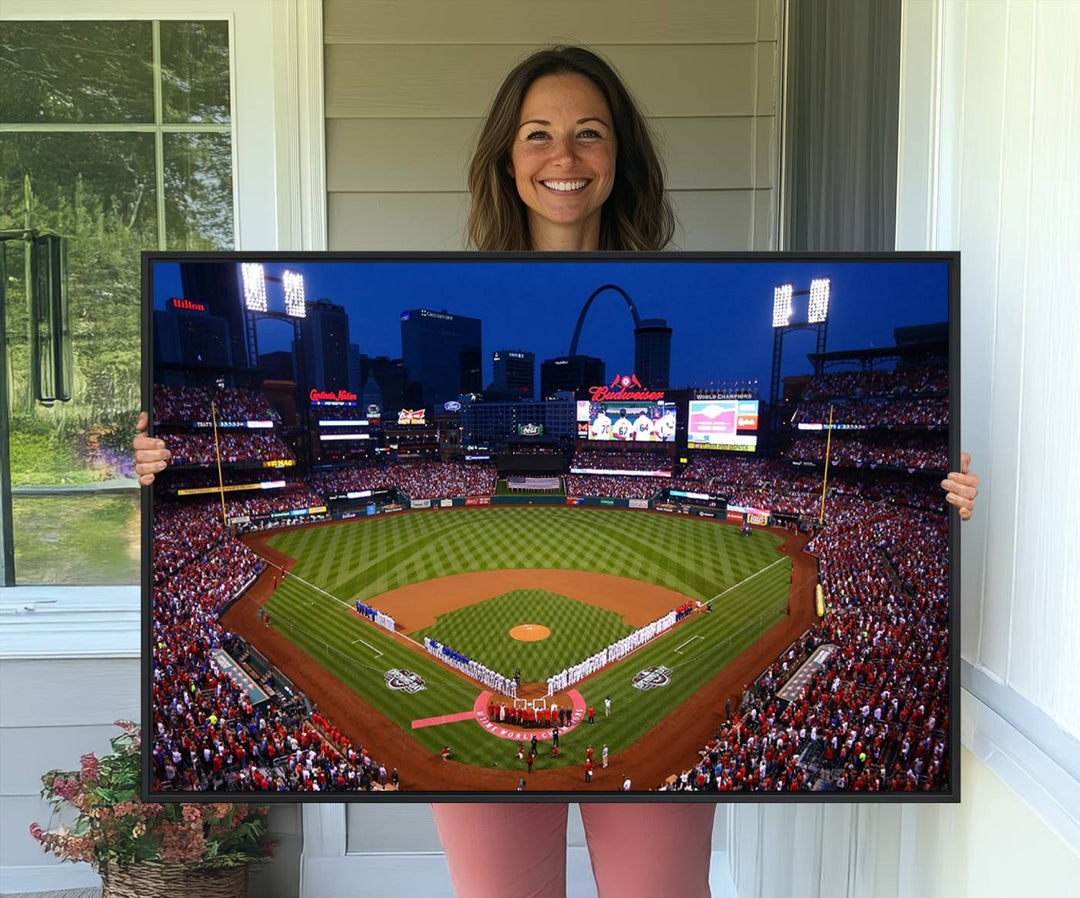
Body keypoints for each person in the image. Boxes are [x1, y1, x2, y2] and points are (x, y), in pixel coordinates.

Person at [134, 43, 980, 898]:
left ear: (621, 157)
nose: (563, 157)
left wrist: (938, 494)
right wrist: (153, 465)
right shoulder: (456, 278)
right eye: (537, 134)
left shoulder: (690, 276)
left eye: (590, 134)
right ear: (506, 157)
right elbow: (152, 494)